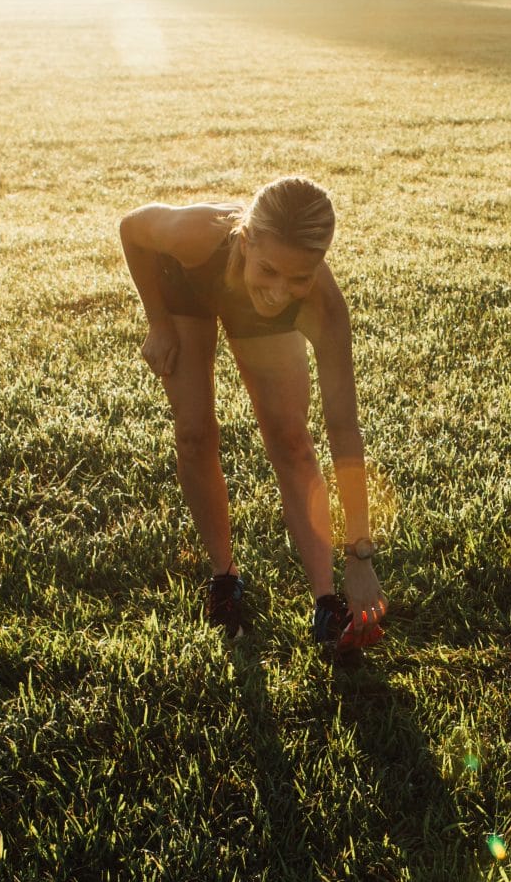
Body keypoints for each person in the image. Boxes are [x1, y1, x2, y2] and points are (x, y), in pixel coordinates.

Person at [119, 177, 387, 646]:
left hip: (256, 321)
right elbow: (132, 229)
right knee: (194, 432)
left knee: (291, 440)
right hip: (189, 284)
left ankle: (327, 603)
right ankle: (224, 578)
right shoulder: (198, 234)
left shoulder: (321, 304)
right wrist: (158, 320)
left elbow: (344, 430)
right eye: (269, 269)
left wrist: (359, 556)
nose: (280, 291)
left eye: (299, 277)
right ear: (246, 240)